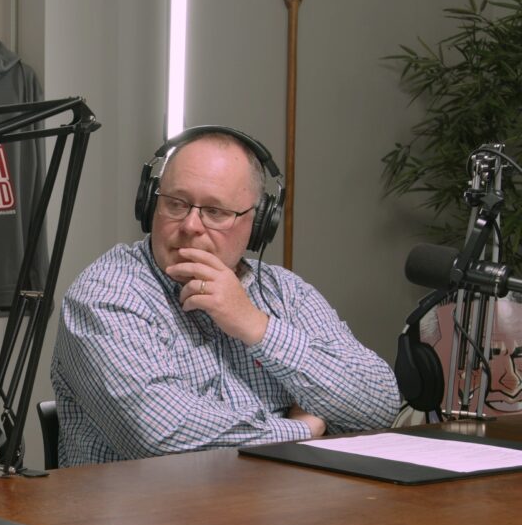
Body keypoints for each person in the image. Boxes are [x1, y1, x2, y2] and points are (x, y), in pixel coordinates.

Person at [51, 127, 399, 464]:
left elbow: (379, 407)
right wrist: (301, 430)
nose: (190, 226)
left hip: (284, 500)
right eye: (176, 204)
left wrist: (257, 327)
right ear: (149, 204)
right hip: (153, 506)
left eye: (215, 212)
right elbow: (160, 437)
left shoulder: (285, 293)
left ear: (258, 224)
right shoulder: (105, 296)